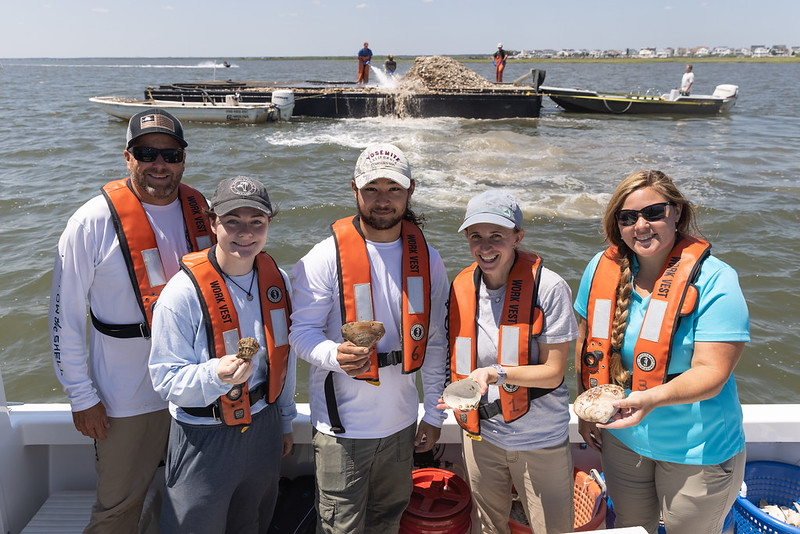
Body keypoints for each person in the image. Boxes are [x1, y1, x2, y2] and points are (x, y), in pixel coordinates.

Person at [48, 108, 215, 533]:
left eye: (171, 154)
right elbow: (63, 317)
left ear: (183, 159)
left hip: (197, 386)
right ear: (128, 157)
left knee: (186, 498)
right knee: (118, 506)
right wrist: (80, 395)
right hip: (126, 397)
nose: (159, 164)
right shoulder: (90, 223)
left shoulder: (206, 212)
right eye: (146, 153)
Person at [573, 170, 749, 534]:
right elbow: (586, 342)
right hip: (623, 441)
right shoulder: (600, 268)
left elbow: (712, 373)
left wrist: (649, 400)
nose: (641, 225)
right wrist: (585, 408)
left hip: (698, 450)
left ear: (677, 213)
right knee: (633, 528)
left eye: (653, 212)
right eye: (628, 217)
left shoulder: (717, 280)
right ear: (617, 225)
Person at [289, 143, 449, 533]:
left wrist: (433, 414)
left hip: (401, 426)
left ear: (410, 191)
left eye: (393, 189)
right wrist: (333, 355)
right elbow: (301, 333)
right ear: (354, 189)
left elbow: (435, 341)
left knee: (388, 520)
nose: (382, 200)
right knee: (339, 527)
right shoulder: (323, 258)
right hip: (342, 431)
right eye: (371, 189)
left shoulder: (428, 257)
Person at [148, 175, 296, 532]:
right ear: (213, 222)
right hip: (204, 437)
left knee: (253, 524)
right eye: (232, 221)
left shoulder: (279, 281)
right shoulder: (180, 294)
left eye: (256, 222)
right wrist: (214, 375)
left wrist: (286, 421)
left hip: (264, 427)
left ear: (268, 224)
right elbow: (164, 379)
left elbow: (284, 362)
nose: (245, 232)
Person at [440, 190, 577, 534]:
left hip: (540, 441)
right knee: (488, 528)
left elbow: (553, 372)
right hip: (481, 436)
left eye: (497, 236)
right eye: (476, 237)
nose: (485, 247)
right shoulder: (460, 287)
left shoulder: (550, 288)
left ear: (518, 237)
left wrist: (495, 373)